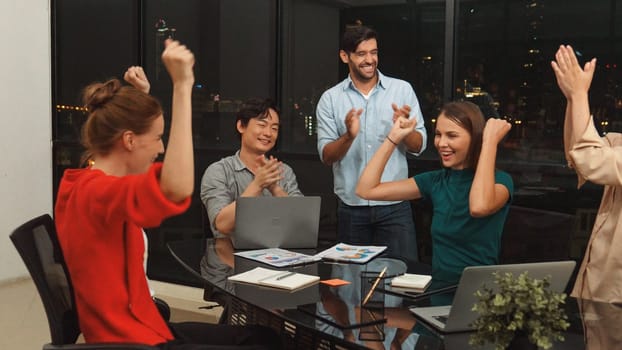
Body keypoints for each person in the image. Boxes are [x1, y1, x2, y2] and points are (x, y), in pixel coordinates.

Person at [54, 39, 280, 349]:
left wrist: (140, 99)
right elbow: (175, 188)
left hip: (145, 325)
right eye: (158, 138)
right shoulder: (97, 192)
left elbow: (132, 168)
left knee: (262, 337)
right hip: (132, 340)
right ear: (129, 140)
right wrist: (182, 85)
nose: (161, 149)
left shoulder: (81, 182)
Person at [356, 101, 513, 284]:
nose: (441, 143)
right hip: (438, 293)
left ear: (475, 138)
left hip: (479, 295)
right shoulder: (436, 180)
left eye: (452, 136)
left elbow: (479, 206)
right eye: (438, 135)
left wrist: (489, 143)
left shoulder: (500, 181)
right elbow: (366, 190)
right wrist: (393, 138)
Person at [316, 24, 427, 265]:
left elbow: (419, 145)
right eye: (362, 53)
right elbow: (326, 156)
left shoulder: (402, 90)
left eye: (374, 52)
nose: (370, 60)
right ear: (345, 56)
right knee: (351, 286)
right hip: (351, 209)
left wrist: (405, 131)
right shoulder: (331, 99)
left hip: (395, 207)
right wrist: (348, 136)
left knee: (402, 278)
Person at [551, 44, 622, 303]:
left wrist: (580, 94)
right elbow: (577, 153)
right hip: (599, 287)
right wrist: (573, 98)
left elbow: (591, 158)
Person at [200, 98, 302, 276]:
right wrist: (257, 184)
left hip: (279, 264)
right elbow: (222, 225)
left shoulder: (284, 171)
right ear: (241, 126)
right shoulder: (219, 171)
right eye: (262, 125)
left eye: (274, 128)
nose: (268, 133)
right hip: (230, 266)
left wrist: (275, 188)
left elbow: (301, 223)